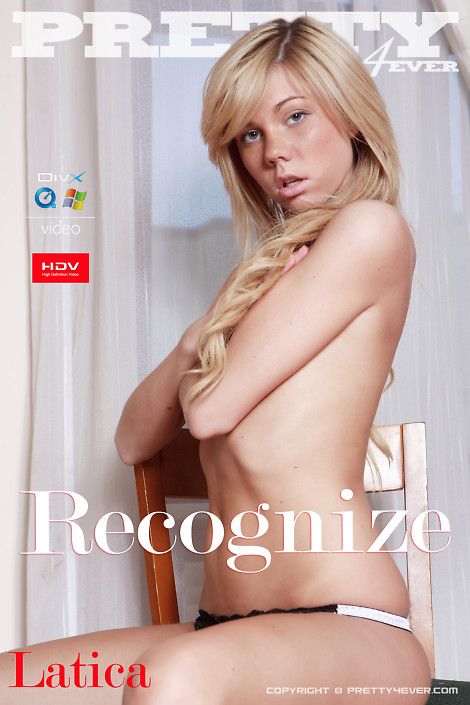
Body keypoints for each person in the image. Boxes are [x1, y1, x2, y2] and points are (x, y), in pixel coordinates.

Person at [0, 16, 432, 705]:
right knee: (14, 681)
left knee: (173, 678)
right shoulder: (263, 277)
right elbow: (132, 440)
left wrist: (223, 325)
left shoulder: (372, 230)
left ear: (351, 116)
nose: (275, 152)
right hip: (223, 630)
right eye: (250, 134)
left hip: (350, 627)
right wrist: (193, 337)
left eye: (295, 116)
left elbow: (208, 410)